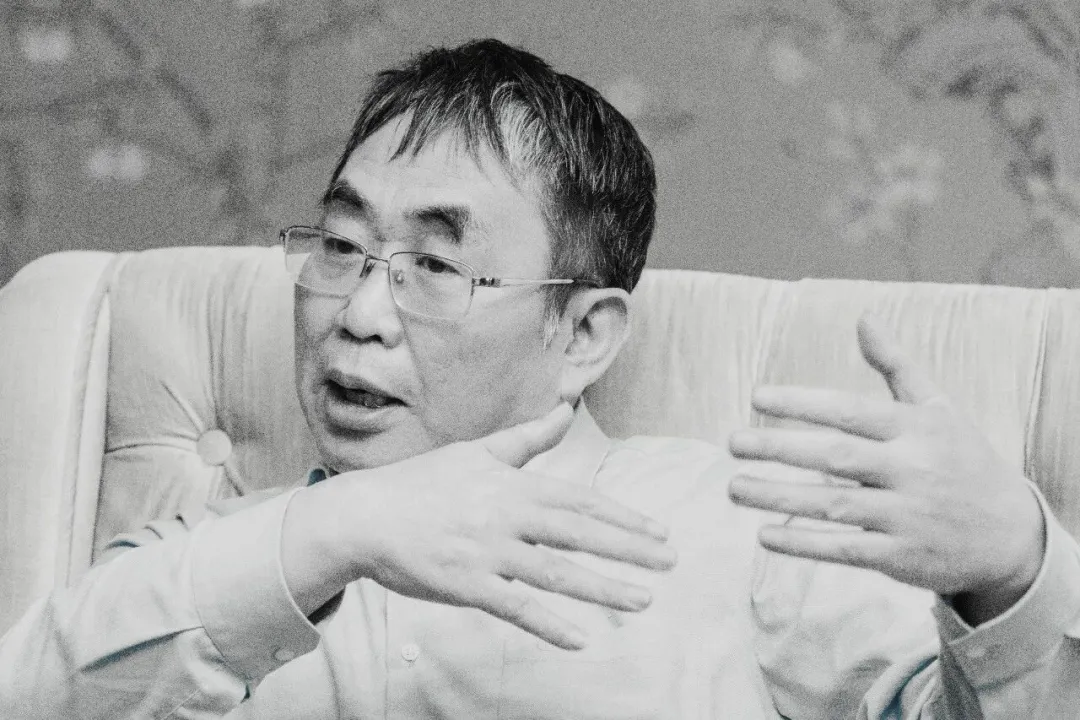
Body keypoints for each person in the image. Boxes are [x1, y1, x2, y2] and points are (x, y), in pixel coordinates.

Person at [1, 38, 1078, 719]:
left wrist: (1015, 573)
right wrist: (333, 532)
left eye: (435, 267)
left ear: (584, 334)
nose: (360, 313)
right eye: (340, 247)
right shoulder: (215, 553)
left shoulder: (738, 531)